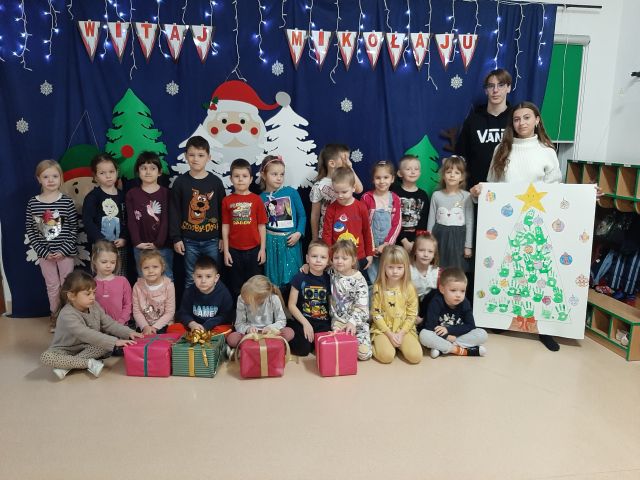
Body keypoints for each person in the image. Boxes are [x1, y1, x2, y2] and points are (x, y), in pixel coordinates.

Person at [470, 101, 562, 351]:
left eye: (527, 117)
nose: (521, 123)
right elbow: (492, 184)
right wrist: (479, 192)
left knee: (538, 274)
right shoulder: (502, 149)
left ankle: (542, 327)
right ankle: (504, 318)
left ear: (537, 120)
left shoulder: (546, 151)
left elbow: (555, 188)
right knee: (509, 270)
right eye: (517, 119)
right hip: (506, 222)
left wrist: (585, 198)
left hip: (536, 222)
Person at [40, 270, 143, 380]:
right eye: (88, 294)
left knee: (105, 346)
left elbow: (109, 324)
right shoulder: (67, 314)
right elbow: (86, 333)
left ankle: (67, 366)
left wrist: (129, 333)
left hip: (86, 346)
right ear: (71, 296)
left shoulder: (94, 305)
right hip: (64, 350)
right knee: (46, 357)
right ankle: (89, 363)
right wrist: (115, 342)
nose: (92, 297)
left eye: (94, 292)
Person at [25, 159, 78, 332]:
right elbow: (31, 230)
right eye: (46, 177)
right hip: (45, 255)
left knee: (67, 285)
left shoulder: (67, 201)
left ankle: (69, 318)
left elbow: (73, 228)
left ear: (60, 178)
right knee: (52, 286)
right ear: (39, 179)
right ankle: (56, 317)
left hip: (65, 253)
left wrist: (63, 250)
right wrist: (43, 252)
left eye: (55, 176)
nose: (50, 180)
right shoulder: (33, 203)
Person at [169, 136, 225, 287]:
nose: (195, 159)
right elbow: (174, 212)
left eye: (201, 155)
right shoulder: (180, 183)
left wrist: (222, 237)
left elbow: (223, 212)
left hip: (212, 240)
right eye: (192, 155)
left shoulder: (215, 182)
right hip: (189, 241)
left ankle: (213, 302)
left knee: (213, 278)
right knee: (190, 278)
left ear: (208, 157)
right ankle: (190, 303)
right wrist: (176, 238)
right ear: (186, 156)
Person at [456, 68, 512, 189]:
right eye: (491, 86)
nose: (495, 90)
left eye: (501, 85)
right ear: (486, 90)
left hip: (509, 189)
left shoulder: (516, 119)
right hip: (477, 189)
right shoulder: (473, 120)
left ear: (508, 88)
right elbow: (461, 155)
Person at [258, 155, 306, 290]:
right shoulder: (260, 198)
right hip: (271, 242)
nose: (279, 178)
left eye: (282, 174)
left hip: (290, 241)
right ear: (264, 175)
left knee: (293, 277)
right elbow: (261, 225)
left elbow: (302, 216)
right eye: (274, 174)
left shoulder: (291, 192)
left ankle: (293, 301)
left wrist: (299, 233)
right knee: (274, 279)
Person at [222, 158, 268, 298]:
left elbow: (262, 226)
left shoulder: (257, 200)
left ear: (250, 179)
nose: (240, 179)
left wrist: (262, 249)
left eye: (244, 176)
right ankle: (239, 310)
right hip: (234, 250)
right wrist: (226, 251)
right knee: (236, 285)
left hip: (254, 250)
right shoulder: (227, 201)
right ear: (231, 179)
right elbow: (225, 226)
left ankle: (255, 310)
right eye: (236, 176)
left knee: (255, 285)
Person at [419, 267, 488, 358]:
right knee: (424, 335)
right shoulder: (436, 301)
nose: (458, 295)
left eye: (462, 291)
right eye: (453, 290)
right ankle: (461, 351)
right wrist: (446, 336)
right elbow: (430, 326)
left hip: (457, 336)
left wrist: (449, 331)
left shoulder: (465, 303)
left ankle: (442, 349)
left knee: (482, 334)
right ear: (442, 289)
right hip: (440, 336)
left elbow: (470, 325)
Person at [125, 151, 173, 280]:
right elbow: (131, 221)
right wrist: (137, 242)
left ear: (159, 172)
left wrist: (159, 243)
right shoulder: (132, 194)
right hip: (141, 247)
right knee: (144, 279)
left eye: (152, 168)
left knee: (167, 278)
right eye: (143, 168)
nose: (148, 172)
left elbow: (166, 220)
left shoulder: (166, 194)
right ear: (138, 171)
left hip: (163, 246)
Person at [370, 245, 422, 364]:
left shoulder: (410, 288)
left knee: (416, 357)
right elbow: (376, 314)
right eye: (390, 267)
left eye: (399, 267)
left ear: (405, 268)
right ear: (384, 267)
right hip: (383, 329)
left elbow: (412, 314)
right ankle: (373, 344)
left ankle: (397, 344)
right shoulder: (378, 287)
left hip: (403, 329)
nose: (395, 271)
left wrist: (401, 333)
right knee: (386, 357)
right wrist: (389, 334)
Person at [322, 167, 374, 276]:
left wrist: (369, 253)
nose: (340, 195)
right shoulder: (331, 209)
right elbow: (327, 235)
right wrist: (330, 256)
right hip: (339, 259)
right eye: (336, 192)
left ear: (353, 188)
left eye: (344, 192)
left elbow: (367, 232)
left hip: (359, 257)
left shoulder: (361, 207)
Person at [82, 153, 128, 276]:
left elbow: (128, 220)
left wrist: (124, 238)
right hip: (100, 247)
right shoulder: (93, 197)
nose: (108, 176)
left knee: (120, 277)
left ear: (117, 172)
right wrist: (101, 240)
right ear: (95, 176)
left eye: (111, 172)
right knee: (102, 277)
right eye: (102, 173)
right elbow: (88, 221)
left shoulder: (123, 196)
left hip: (119, 246)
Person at [226, 275, 294, 355]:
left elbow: (281, 321)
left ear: (261, 299)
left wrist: (270, 328)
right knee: (232, 338)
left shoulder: (274, 298)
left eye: (249, 301)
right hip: (251, 336)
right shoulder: (241, 298)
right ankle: (265, 348)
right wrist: (248, 329)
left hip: (270, 335)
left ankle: (252, 349)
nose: (246, 301)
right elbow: (239, 324)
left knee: (289, 332)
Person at [427, 156, 474, 271]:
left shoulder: (467, 196)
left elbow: (469, 222)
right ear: (443, 175)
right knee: (438, 268)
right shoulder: (436, 195)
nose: (452, 175)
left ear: (462, 177)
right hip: (439, 236)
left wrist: (468, 246)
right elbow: (431, 220)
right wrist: (428, 242)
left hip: (458, 238)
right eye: (448, 172)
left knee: (457, 270)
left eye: (457, 173)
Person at [328, 240, 372, 361]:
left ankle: (367, 341)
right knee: (340, 351)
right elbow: (318, 268)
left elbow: (362, 308)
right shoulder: (332, 272)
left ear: (353, 260)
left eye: (344, 258)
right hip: (338, 321)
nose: (339, 261)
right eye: (336, 257)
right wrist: (307, 266)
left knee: (364, 354)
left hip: (357, 323)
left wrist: (353, 322)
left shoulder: (359, 280)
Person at [287, 240, 332, 356]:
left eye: (323, 257)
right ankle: (289, 328)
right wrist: (305, 323)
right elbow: (291, 305)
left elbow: (331, 304)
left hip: (322, 323)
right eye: (314, 256)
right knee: (303, 350)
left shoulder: (329, 279)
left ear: (328, 261)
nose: (318, 260)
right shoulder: (299, 278)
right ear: (307, 258)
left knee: (324, 351)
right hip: (303, 320)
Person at [309, 144, 364, 240]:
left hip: (347, 234)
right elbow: (315, 215)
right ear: (332, 163)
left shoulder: (347, 179)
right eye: (345, 159)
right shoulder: (318, 186)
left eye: (348, 159)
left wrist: (350, 168)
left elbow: (359, 189)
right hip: (327, 235)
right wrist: (314, 238)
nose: (348, 162)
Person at [361, 160, 401, 283]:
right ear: (373, 180)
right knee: (372, 275)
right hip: (370, 244)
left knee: (387, 274)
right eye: (378, 178)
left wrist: (386, 244)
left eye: (386, 177)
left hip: (388, 245)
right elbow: (364, 224)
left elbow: (397, 224)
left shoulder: (395, 199)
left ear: (392, 179)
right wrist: (371, 247)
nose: (382, 181)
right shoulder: (366, 198)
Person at [176, 255, 234, 334]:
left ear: (216, 278)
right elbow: (183, 313)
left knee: (227, 329)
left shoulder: (223, 293)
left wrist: (207, 326)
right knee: (174, 328)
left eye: (208, 276)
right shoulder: (189, 291)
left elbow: (225, 316)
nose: (203, 281)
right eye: (199, 276)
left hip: (214, 327)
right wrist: (192, 324)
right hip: (194, 327)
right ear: (193, 277)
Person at [132, 249, 176, 335]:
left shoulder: (169, 285)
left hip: (164, 325)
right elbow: (136, 312)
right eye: (146, 268)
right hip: (143, 326)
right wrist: (145, 326)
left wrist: (155, 327)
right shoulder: (137, 286)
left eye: (155, 267)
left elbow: (170, 312)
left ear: (162, 267)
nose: (151, 271)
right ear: (141, 269)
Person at [392, 154, 430, 252]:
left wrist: (414, 242)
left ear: (420, 172)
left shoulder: (423, 195)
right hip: (396, 242)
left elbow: (424, 221)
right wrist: (404, 241)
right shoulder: (394, 193)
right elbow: (392, 219)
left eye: (416, 169)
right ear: (400, 173)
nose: (413, 172)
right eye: (408, 169)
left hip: (416, 243)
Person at [91, 240, 132, 326]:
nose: (108, 266)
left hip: (121, 327)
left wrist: (121, 322)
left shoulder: (123, 281)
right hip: (98, 328)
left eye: (113, 262)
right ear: (94, 260)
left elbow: (128, 304)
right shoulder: (89, 283)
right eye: (104, 262)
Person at [410, 233, 440, 324]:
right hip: (410, 303)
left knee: (436, 293)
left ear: (434, 254)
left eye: (430, 251)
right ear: (415, 251)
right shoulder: (408, 270)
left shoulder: (436, 271)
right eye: (421, 250)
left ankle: (426, 322)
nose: (426, 254)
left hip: (427, 307)